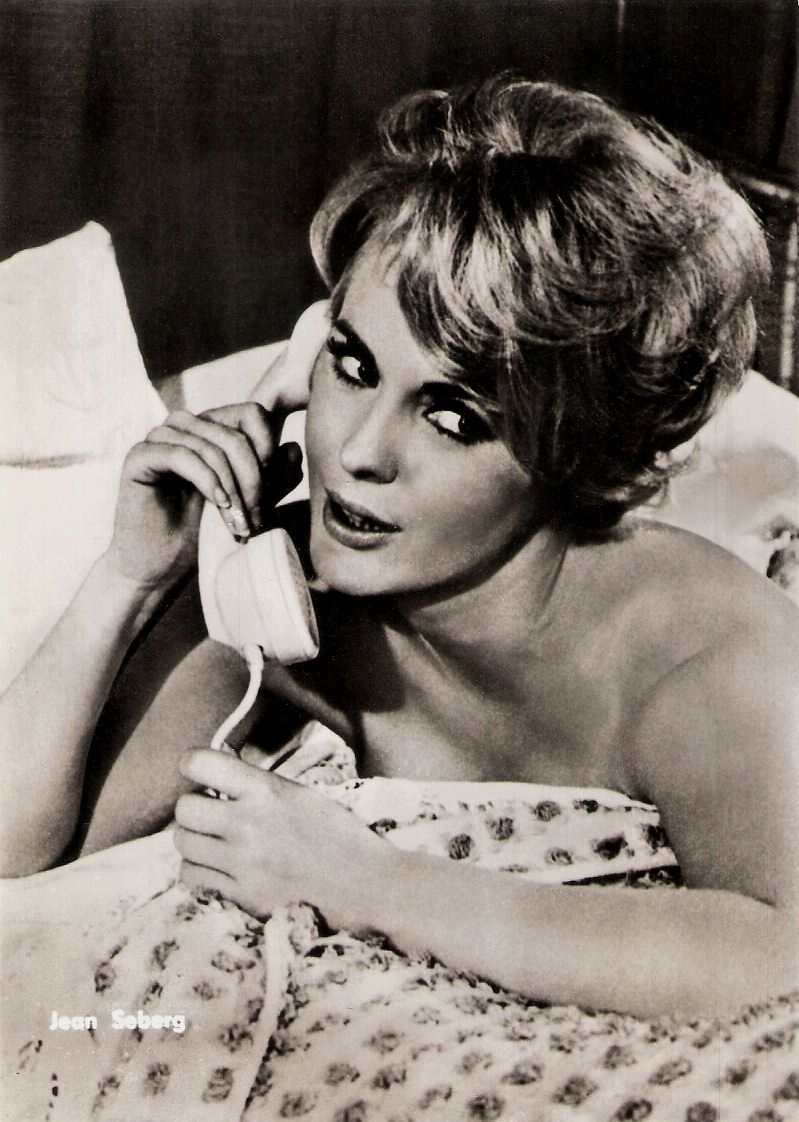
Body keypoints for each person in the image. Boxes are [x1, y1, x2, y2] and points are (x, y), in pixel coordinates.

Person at [1, 76, 797, 1021]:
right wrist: (128, 581)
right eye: (353, 365)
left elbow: (779, 951)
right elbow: (23, 854)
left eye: (452, 416)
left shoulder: (707, 648)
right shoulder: (288, 605)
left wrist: (362, 881)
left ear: (581, 456)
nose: (358, 453)